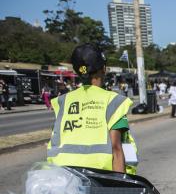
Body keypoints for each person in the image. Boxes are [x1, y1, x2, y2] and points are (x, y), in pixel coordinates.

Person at [46, 43, 138, 174]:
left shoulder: (63, 101)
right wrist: (120, 189)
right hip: (101, 179)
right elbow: (116, 149)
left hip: (63, 178)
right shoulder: (113, 101)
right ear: (104, 68)